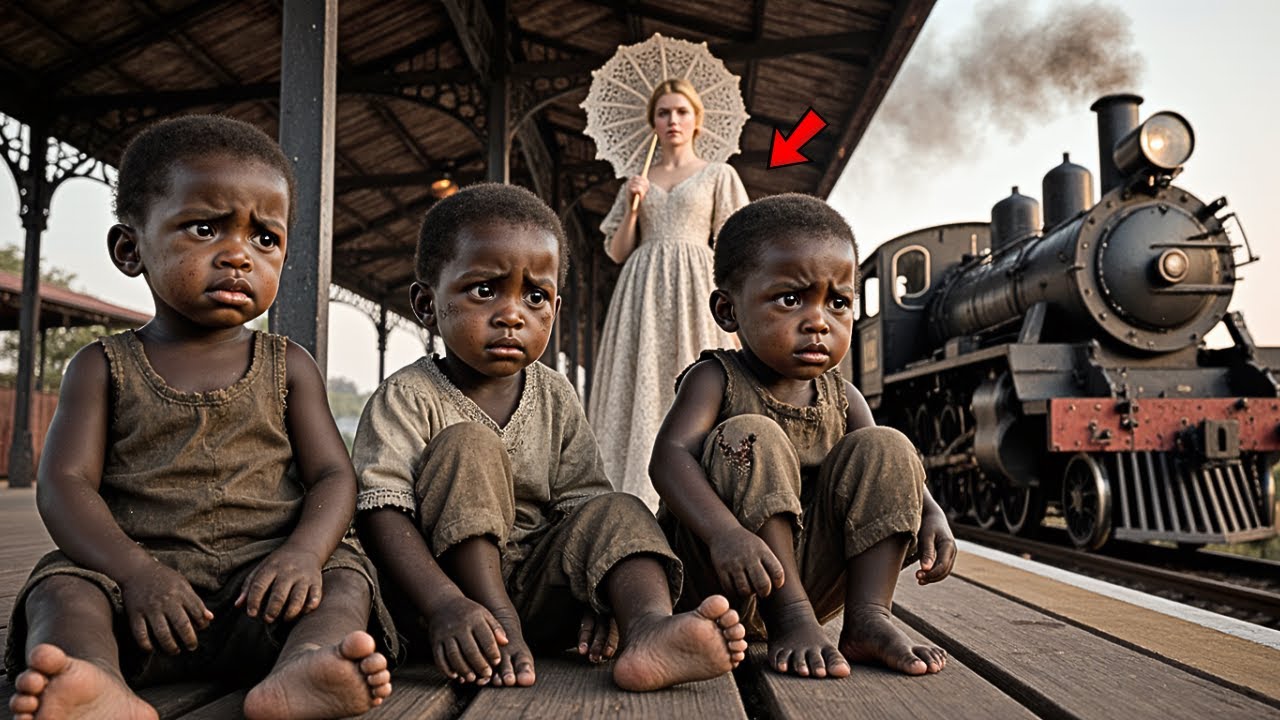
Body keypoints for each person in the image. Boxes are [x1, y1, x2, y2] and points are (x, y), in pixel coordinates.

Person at [5, 115, 394, 720]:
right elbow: (63, 485)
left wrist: (303, 554)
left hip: (267, 596)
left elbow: (334, 477)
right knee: (62, 587)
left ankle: (305, 666)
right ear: (130, 249)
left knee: (345, 576)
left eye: (265, 238)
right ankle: (95, 680)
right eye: (206, 228)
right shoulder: (102, 367)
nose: (239, 254)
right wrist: (135, 573)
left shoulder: (289, 365)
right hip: (139, 601)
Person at [352, 183, 748, 692]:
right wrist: (446, 603)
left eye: (534, 296)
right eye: (484, 290)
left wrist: (600, 597)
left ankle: (647, 627)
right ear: (426, 305)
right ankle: (498, 620)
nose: (512, 314)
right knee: (467, 442)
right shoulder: (407, 395)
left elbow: (583, 506)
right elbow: (382, 512)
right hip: (446, 608)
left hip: (541, 591)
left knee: (619, 507)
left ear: (554, 311)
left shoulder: (553, 393)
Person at [650, 194, 958, 680]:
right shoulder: (715, 379)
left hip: (812, 581)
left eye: (838, 302)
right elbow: (668, 459)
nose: (819, 321)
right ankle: (789, 617)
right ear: (728, 311)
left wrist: (932, 512)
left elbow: (889, 476)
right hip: (720, 573)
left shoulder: (843, 397)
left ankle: (869, 618)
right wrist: (725, 533)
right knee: (753, 435)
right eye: (791, 299)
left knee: (888, 445)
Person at [589, 78, 750, 511]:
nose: (672, 120)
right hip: (641, 288)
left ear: (697, 120)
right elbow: (619, 251)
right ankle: (632, 497)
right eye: (663, 113)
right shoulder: (638, 179)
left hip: (696, 282)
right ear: (653, 123)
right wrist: (632, 205)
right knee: (641, 382)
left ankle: (701, 491)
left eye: (681, 111)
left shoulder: (719, 174)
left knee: (694, 376)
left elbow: (736, 244)